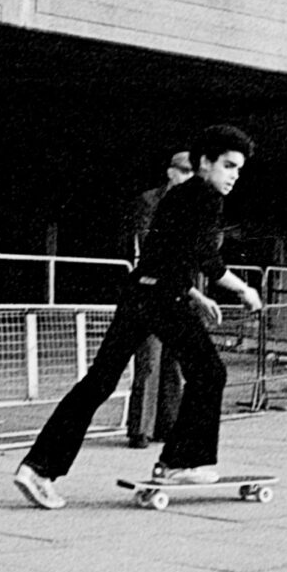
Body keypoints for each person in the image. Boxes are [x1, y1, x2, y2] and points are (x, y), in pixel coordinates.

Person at [13, 126, 263, 508]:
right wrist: (244, 289)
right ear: (205, 162)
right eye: (228, 166)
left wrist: (194, 294)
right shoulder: (206, 197)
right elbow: (207, 260)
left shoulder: (177, 195)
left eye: (239, 169)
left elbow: (167, 254)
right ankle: (180, 462)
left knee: (99, 381)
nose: (234, 176)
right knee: (209, 372)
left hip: (140, 294)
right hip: (163, 299)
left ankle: (38, 468)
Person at [122, 150, 189, 447]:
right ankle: (140, 429)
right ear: (170, 172)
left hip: (181, 290)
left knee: (174, 362)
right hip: (152, 288)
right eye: (184, 171)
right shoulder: (150, 200)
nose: (189, 178)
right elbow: (148, 240)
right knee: (149, 359)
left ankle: (168, 426)